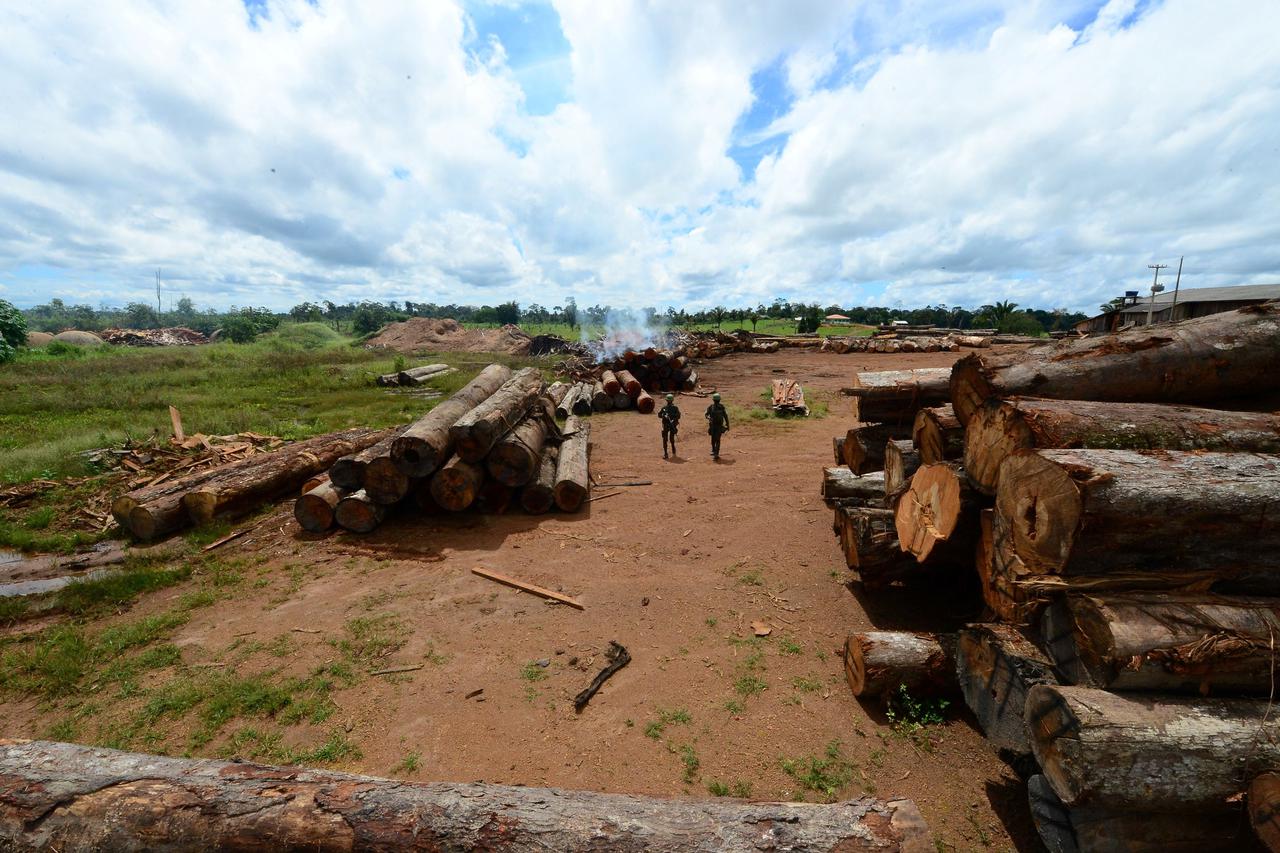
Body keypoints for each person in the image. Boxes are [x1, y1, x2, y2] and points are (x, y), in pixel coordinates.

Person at [705, 392, 729, 459]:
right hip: (716, 425)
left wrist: (708, 417)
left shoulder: (712, 407)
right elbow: (725, 416)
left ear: (713, 400)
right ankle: (714, 451)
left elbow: (706, 415)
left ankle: (716, 453)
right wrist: (728, 424)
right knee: (715, 439)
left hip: (714, 426)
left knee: (715, 439)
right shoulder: (720, 407)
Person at [658, 393, 681, 459]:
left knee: (667, 439)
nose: (669, 402)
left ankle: (667, 452)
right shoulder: (665, 408)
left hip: (669, 425)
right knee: (669, 438)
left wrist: (673, 420)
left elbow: (678, 416)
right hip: (667, 425)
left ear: (667, 400)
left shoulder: (671, 408)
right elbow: (659, 415)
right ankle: (669, 451)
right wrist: (664, 416)